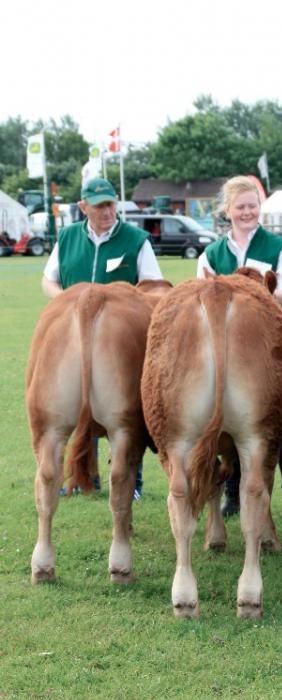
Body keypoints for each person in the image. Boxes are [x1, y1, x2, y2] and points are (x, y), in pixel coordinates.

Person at [42, 177, 164, 500]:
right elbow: (48, 280)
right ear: (84, 207)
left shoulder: (137, 240)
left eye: (111, 204)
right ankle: (85, 477)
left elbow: (152, 287)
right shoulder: (67, 238)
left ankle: (132, 483)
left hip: (122, 341)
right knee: (78, 399)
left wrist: (123, 313)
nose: (108, 211)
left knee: (126, 408)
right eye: (99, 206)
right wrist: (65, 305)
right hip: (74, 336)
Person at [196, 175, 282, 521]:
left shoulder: (279, 247)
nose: (248, 212)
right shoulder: (211, 253)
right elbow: (199, 298)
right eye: (241, 206)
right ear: (227, 211)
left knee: (280, 426)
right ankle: (232, 493)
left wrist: (251, 294)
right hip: (223, 350)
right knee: (226, 422)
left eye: (253, 206)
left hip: (268, 349)